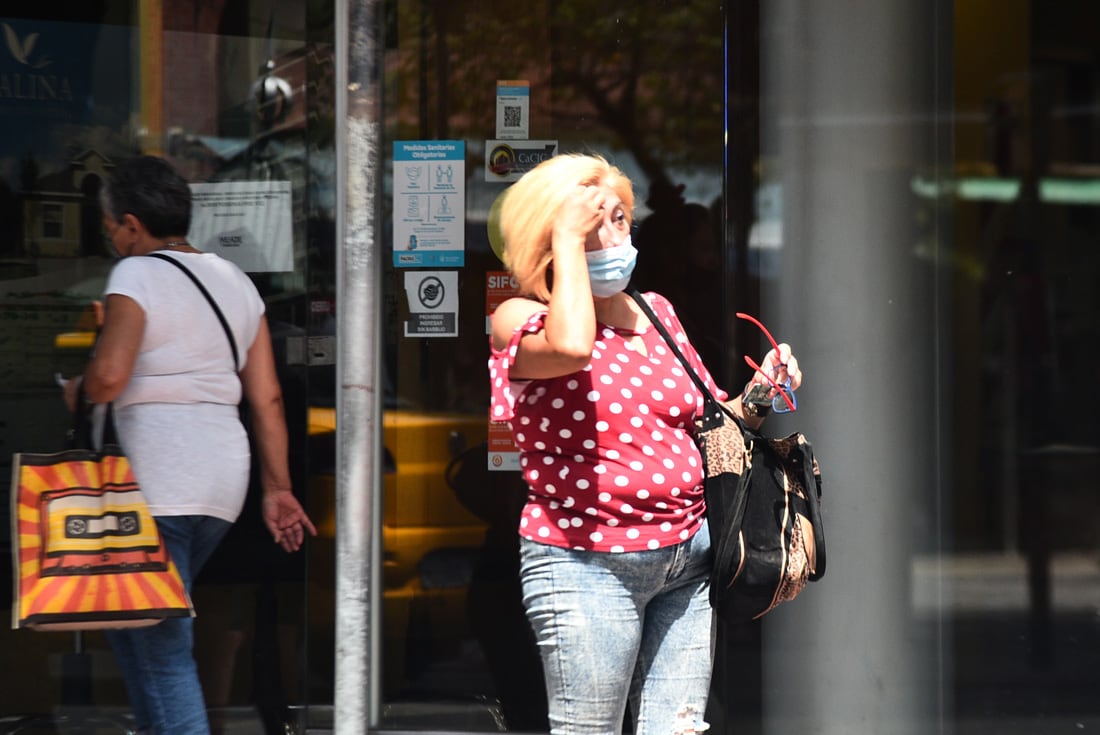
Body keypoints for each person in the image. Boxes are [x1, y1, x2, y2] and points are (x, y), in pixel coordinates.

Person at [487, 153, 802, 735]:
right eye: (592, 223)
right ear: (548, 237)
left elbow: (715, 423)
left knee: (679, 729)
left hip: (688, 557)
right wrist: (567, 234)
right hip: (587, 562)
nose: (612, 235)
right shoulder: (518, 318)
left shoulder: (656, 313)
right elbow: (574, 347)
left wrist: (763, 393)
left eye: (621, 219)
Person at [63, 155, 316, 735]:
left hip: (158, 482)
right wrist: (277, 489)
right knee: (137, 629)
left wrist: (76, 389)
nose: (111, 238)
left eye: (110, 227)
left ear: (131, 225)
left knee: (162, 650)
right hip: (221, 486)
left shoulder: (136, 274)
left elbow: (107, 379)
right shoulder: (235, 281)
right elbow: (268, 399)